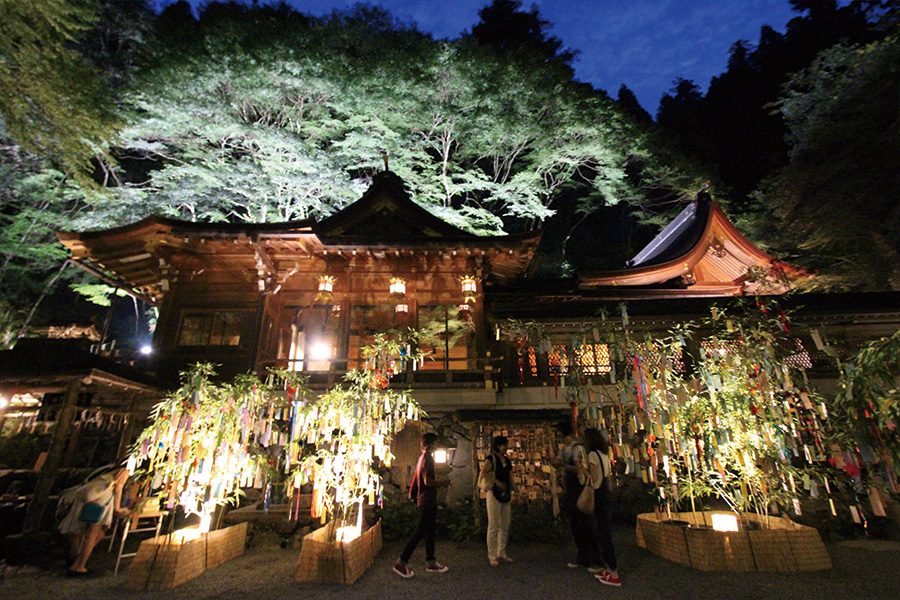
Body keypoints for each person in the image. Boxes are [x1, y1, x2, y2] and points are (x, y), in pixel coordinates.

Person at [393, 432, 450, 578]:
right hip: (427, 499)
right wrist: (443, 483)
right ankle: (401, 562)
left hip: (424, 499)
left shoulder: (421, 458)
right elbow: (427, 481)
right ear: (431, 444)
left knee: (429, 531)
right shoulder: (428, 459)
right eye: (436, 442)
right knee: (420, 532)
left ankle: (431, 562)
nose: (438, 445)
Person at [58, 465, 129, 576]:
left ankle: (76, 562)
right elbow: (118, 487)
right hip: (100, 502)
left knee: (96, 534)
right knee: (92, 535)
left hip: (88, 498)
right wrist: (117, 508)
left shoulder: (106, 469)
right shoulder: (124, 471)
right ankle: (80, 566)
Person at [552, 419, 598, 570]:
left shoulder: (577, 448)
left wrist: (563, 466)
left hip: (579, 486)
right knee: (575, 524)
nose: (560, 438)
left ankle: (593, 559)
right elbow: (559, 462)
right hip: (571, 487)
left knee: (584, 523)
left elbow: (582, 469)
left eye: (561, 435)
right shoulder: (564, 448)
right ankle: (582, 557)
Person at [583, 427, 621, 586]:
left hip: (598, 494)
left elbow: (594, 477)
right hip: (605, 493)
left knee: (603, 533)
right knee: (604, 530)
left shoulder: (592, 454)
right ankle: (608, 569)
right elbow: (607, 477)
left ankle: (613, 572)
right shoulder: (605, 454)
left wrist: (582, 470)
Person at [480, 435, 513, 567]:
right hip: (493, 492)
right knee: (493, 524)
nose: (506, 447)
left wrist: (514, 489)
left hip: (506, 493)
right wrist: (496, 482)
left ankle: (502, 551)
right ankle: (492, 555)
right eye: (504, 445)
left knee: (505, 523)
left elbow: (509, 476)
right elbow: (483, 473)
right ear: (498, 446)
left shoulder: (507, 460)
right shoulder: (491, 459)